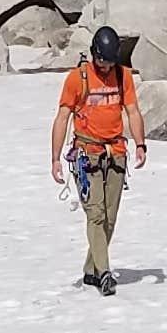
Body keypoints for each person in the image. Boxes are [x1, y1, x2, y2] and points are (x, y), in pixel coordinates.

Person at [49, 24, 146, 292]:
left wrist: (141, 144)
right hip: (87, 155)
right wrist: (55, 158)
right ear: (94, 54)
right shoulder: (77, 79)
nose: (105, 67)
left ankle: (91, 269)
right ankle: (104, 274)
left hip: (115, 153)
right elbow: (62, 118)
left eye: (110, 61)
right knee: (96, 215)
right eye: (102, 61)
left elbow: (133, 111)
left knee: (110, 218)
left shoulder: (123, 76)